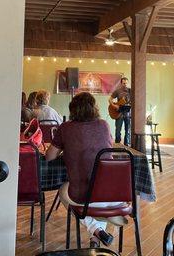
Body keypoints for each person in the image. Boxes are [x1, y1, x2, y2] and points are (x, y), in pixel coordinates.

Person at [45, 92, 120, 248]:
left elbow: (49, 157)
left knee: (64, 191)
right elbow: (109, 150)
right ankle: (95, 239)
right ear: (94, 108)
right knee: (98, 196)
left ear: (73, 109)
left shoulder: (65, 128)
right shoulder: (104, 125)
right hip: (112, 193)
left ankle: (96, 230)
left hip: (82, 193)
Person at [108, 77, 131, 146]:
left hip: (128, 114)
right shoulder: (117, 91)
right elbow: (110, 99)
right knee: (118, 131)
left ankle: (127, 146)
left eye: (126, 83)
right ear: (121, 83)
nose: (125, 85)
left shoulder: (131, 91)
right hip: (119, 114)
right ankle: (117, 145)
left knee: (128, 131)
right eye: (124, 83)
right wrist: (114, 106)